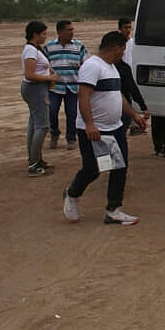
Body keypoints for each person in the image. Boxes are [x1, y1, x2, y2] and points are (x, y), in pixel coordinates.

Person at [62, 31, 148, 226]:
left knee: (120, 167)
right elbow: (83, 96)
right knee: (93, 169)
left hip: (115, 128)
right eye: (123, 49)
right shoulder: (92, 66)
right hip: (94, 130)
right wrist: (90, 124)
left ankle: (113, 210)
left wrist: (133, 114)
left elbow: (117, 96)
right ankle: (72, 193)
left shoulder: (112, 68)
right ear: (116, 48)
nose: (123, 53)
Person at [21, 21, 59, 176]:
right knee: (42, 126)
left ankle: (35, 158)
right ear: (35, 34)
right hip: (35, 88)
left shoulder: (35, 49)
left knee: (34, 123)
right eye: (43, 34)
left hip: (36, 88)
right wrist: (49, 78)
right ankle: (34, 163)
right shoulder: (30, 50)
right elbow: (29, 75)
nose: (45, 36)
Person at [44, 20, 87, 150]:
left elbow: (86, 64)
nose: (72, 32)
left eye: (72, 30)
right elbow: (43, 65)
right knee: (51, 112)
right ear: (60, 32)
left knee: (72, 113)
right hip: (54, 87)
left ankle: (71, 138)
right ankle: (54, 133)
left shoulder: (78, 46)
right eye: (69, 30)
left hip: (73, 87)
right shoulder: (49, 46)